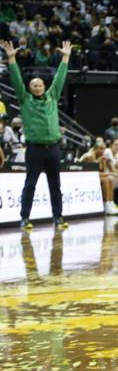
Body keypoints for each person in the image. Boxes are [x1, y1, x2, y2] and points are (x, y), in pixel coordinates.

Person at [4, 40, 71, 230]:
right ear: (30, 88)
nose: (38, 87)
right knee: (30, 185)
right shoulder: (25, 99)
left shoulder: (52, 96)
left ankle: (58, 217)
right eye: (34, 85)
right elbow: (16, 79)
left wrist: (65, 56)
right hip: (34, 149)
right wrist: (12, 59)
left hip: (53, 149)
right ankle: (24, 218)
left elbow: (60, 77)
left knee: (55, 186)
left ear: (44, 86)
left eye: (40, 85)